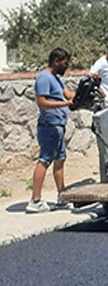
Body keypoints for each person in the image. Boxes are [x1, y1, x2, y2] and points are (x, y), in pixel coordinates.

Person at [27, 48, 75, 213]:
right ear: (56, 61)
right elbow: (42, 103)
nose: (66, 67)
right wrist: (65, 104)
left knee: (60, 160)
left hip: (59, 125)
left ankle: (62, 196)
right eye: (64, 63)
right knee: (45, 159)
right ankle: (35, 200)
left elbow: (67, 94)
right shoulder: (44, 78)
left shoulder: (56, 79)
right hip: (49, 125)